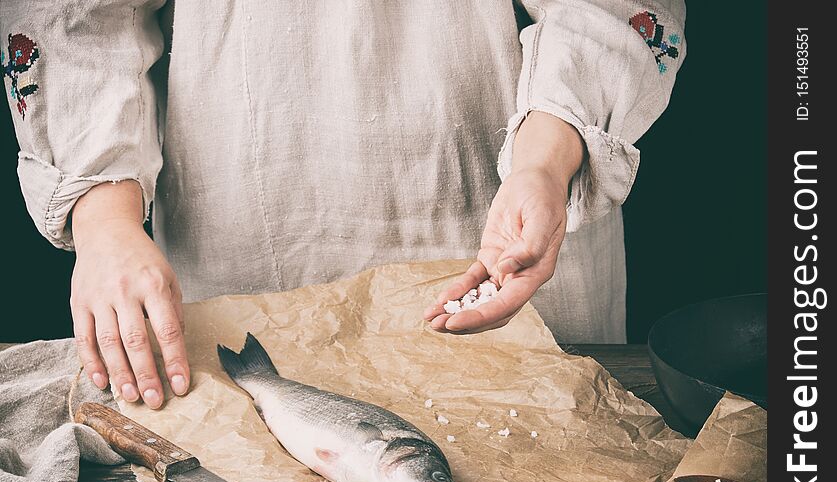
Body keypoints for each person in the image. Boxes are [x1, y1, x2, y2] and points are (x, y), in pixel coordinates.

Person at [1, 1, 686, 409]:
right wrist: (104, 218)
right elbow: (73, 19)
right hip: (242, 226)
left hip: (503, 207)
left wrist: (543, 162)